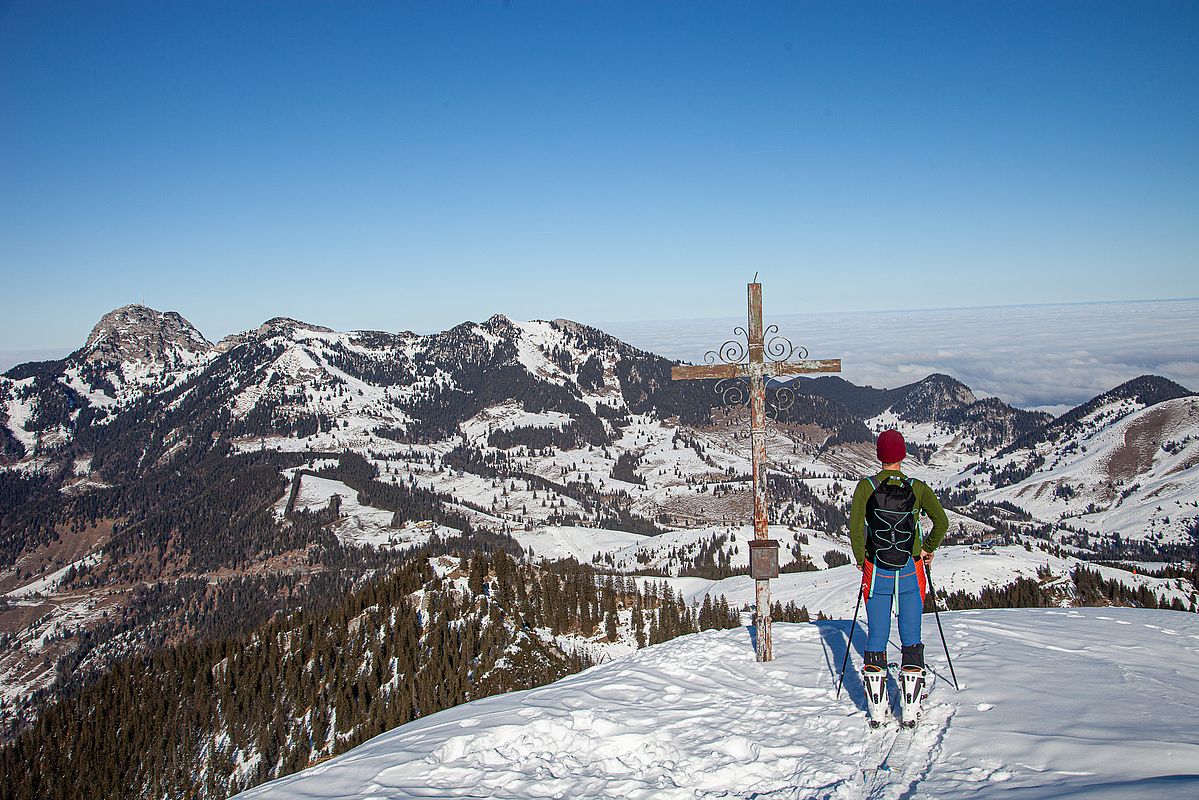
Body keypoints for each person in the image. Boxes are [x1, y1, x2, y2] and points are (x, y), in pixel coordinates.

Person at [849, 429, 948, 674]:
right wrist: (928, 548)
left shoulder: (866, 487)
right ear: (903, 455)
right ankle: (912, 700)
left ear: (879, 455)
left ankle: (876, 702)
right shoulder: (918, 488)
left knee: (877, 635)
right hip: (910, 568)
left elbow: (855, 527)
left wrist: (861, 558)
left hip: (876, 569)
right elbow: (942, 522)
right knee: (911, 634)